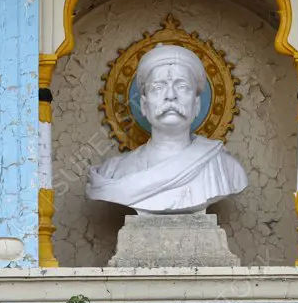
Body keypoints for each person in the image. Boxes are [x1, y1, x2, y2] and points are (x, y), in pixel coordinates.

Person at [86, 43, 247, 214]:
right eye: (158, 88)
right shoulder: (115, 171)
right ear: (144, 105)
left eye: (182, 87)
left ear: (197, 104)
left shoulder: (224, 168)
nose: (170, 96)